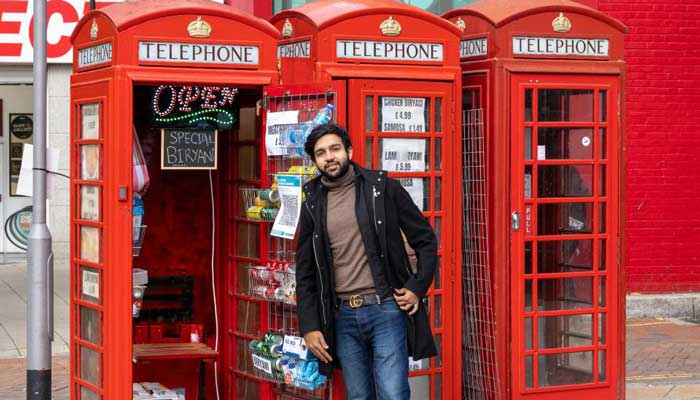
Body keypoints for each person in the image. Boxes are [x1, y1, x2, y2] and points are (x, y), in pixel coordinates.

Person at [295, 123, 438, 399]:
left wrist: (417, 286)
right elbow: (305, 271)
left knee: (393, 394)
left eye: (335, 148)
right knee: (359, 396)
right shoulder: (312, 202)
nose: (330, 157)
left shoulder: (382, 188)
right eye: (321, 153)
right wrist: (309, 327)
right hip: (342, 315)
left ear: (349, 150)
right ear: (315, 161)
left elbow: (426, 240)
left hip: (385, 309)